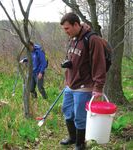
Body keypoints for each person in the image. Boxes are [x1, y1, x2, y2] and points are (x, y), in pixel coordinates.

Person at [60, 12, 106, 150]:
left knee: (80, 116)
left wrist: (98, 88)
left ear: (76, 24)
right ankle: (72, 137)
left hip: (84, 86)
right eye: (64, 29)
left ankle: (80, 144)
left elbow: (99, 64)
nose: (65, 31)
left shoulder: (92, 39)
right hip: (71, 84)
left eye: (67, 28)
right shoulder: (73, 38)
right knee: (67, 110)